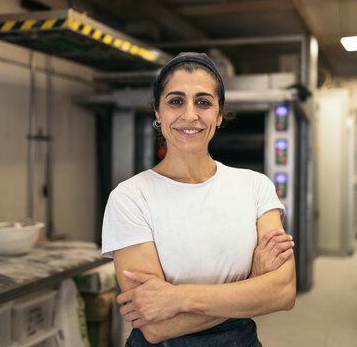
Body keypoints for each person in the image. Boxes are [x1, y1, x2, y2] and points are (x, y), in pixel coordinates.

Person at [101, 52, 296, 346]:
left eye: (203, 102)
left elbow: (283, 292)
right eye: (175, 101)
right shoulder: (130, 197)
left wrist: (175, 298)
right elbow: (155, 327)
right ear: (158, 111)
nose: (190, 115)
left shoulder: (255, 187)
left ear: (219, 115)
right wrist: (251, 284)